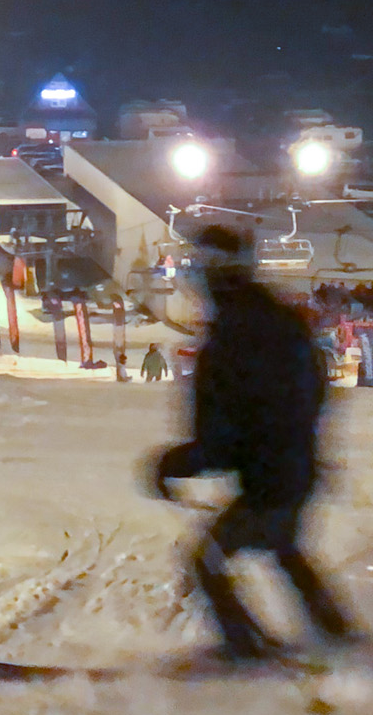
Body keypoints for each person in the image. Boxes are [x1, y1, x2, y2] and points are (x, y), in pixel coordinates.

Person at [147, 224, 356, 663]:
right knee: (283, 548)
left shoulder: (230, 338)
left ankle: (245, 646)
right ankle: (340, 635)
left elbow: (222, 434)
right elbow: (314, 390)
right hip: (293, 468)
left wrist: (173, 464)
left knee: (208, 559)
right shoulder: (277, 320)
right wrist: (300, 443)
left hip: (271, 476)